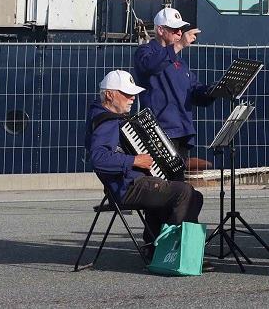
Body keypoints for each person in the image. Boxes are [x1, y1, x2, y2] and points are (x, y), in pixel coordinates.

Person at [86, 69, 207, 253]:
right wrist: (134, 160)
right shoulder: (106, 122)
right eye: (127, 94)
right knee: (184, 192)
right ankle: (175, 252)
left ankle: (154, 246)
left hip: (133, 183)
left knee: (193, 196)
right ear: (109, 95)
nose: (133, 98)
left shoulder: (112, 118)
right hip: (126, 187)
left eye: (133, 94)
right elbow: (98, 158)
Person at [133, 7, 221, 152]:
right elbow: (150, 65)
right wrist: (178, 46)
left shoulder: (180, 62)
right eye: (175, 29)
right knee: (161, 174)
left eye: (181, 29)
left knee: (179, 174)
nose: (180, 33)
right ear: (161, 30)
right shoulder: (145, 51)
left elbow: (193, 90)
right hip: (159, 130)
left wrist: (214, 90)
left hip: (182, 131)